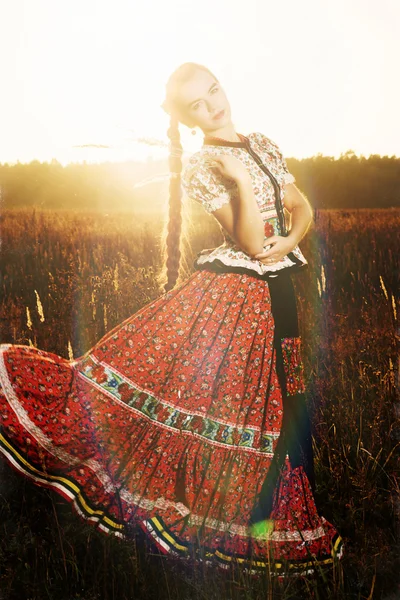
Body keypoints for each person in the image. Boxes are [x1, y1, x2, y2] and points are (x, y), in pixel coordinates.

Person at [0, 62, 344, 579]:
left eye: (214, 91)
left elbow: (302, 207)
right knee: (220, 397)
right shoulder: (205, 165)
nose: (214, 106)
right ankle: (219, 510)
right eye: (198, 106)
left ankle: (263, 506)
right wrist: (243, 191)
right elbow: (250, 243)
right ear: (186, 119)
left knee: (275, 401)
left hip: (279, 291)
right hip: (235, 300)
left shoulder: (264, 144)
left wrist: (291, 242)